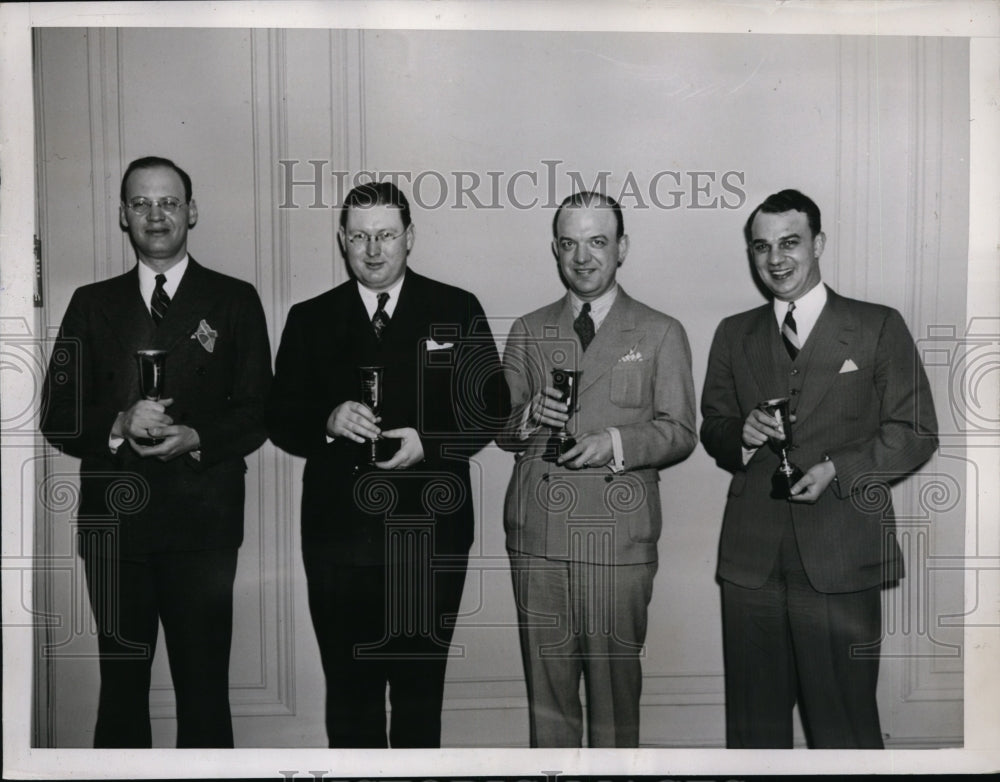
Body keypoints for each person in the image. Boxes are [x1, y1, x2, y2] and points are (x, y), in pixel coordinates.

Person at [39, 156, 273, 747]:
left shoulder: (234, 299)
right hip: (115, 530)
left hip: (204, 526)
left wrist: (198, 437)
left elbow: (259, 410)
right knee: (121, 693)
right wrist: (117, 421)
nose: (156, 214)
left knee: (203, 692)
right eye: (141, 203)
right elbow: (56, 415)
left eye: (168, 202)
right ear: (123, 217)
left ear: (191, 211)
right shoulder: (91, 305)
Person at [267, 181, 509, 748]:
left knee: (420, 700)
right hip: (338, 542)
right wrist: (326, 422)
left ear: (410, 238)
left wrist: (430, 443)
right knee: (349, 702)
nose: (373, 250)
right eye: (359, 237)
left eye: (386, 236)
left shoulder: (456, 307)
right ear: (341, 241)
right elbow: (277, 415)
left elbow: (491, 406)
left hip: (430, 535)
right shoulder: (310, 317)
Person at [700, 188, 939, 748]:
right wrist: (742, 434)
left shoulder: (878, 325)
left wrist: (840, 468)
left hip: (841, 557)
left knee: (845, 729)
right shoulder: (734, 333)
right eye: (761, 248)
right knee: (754, 735)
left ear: (819, 244)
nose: (775, 259)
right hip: (750, 560)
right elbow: (713, 427)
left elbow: (917, 432)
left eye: (790, 243)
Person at [497, 191, 697, 747]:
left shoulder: (660, 331)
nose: (582, 257)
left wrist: (615, 441)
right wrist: (529, 414)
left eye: (597, 242)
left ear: (622, 248)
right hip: (538, 536)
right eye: (569, 243)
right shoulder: (529, 329)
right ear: (555, 251)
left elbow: (681, 431)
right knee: (549, 701)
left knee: (614, 700)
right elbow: (500, 427)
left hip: (617, 539)